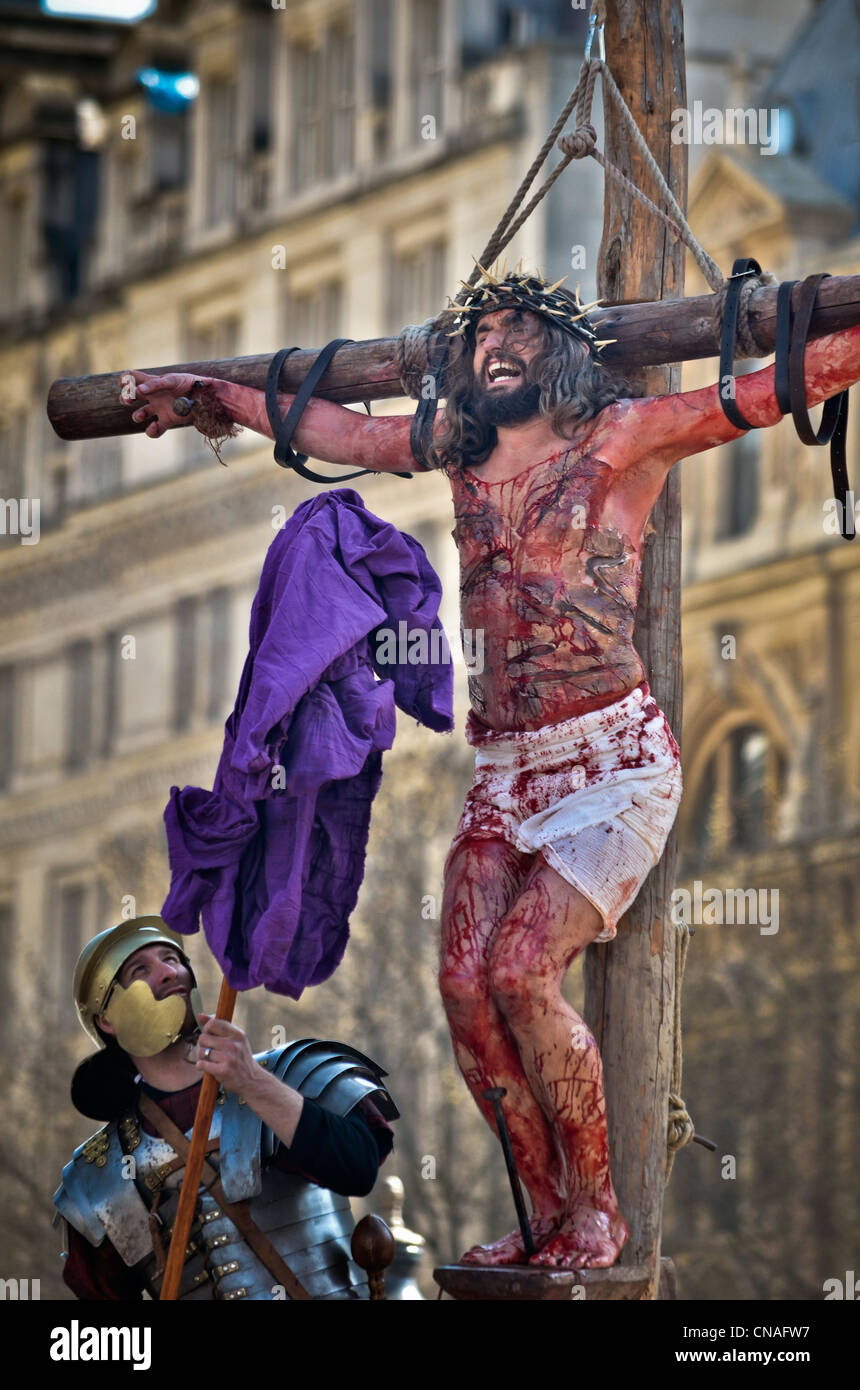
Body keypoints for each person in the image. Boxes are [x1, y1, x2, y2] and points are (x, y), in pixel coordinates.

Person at [122, 271, 860, 1270]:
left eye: (516, 330)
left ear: (554, 348)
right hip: (503, 768)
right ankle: (544, 1208)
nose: (494, 347)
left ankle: (596, 1211)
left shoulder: (621, 435)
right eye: (477, 337)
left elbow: (767, 390)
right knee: (463, 985)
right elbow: (339, 433)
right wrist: (211, 394)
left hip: (609, 760)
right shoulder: (455, 452)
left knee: (519, 969)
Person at [54, 916, 398, 1300]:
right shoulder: (100, 1172)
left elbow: (358, 1167)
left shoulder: (290, 1074)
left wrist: (252, 1082)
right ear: (107, 1020)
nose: (169, 971)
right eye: (141, 970)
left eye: (172, 958)